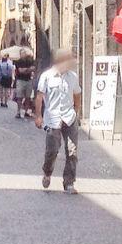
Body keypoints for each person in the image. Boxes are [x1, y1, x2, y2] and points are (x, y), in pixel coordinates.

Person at [35, 48, 81, 193]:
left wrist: (76, 112)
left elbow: (77, 95)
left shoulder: (72, 76)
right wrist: (38, 116)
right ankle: (47, 172)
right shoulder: (47, 76)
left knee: (72, 151)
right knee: (52, 151)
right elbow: (39, 97)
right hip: (52, 119)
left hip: (69, 117)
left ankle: (69, 182)